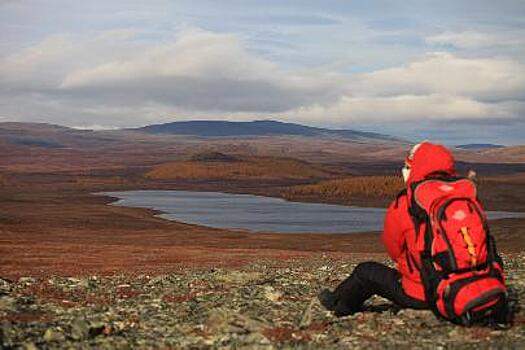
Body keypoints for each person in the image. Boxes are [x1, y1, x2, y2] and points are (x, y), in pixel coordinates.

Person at [318, 141, 509, 324]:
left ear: (414, 167)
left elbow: (394, 249)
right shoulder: (466, 193)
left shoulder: (407, 202)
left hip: (426, 294)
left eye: (407, 166)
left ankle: (338, 305)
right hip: (485, 286)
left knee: (365, 272)